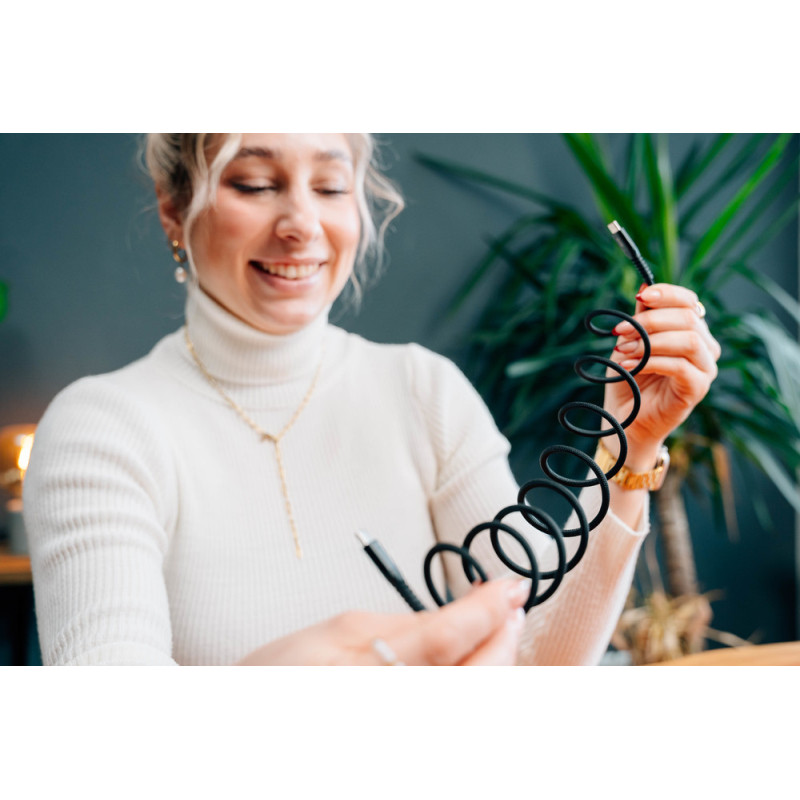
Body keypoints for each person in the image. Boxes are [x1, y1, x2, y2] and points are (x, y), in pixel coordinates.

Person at [23, 133, 720, 666]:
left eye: (330, 186)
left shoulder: (422, 390)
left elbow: (541, 658)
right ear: (173, 210)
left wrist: (631, 449)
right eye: (256, 183)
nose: (301, 223)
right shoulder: (102, 427)